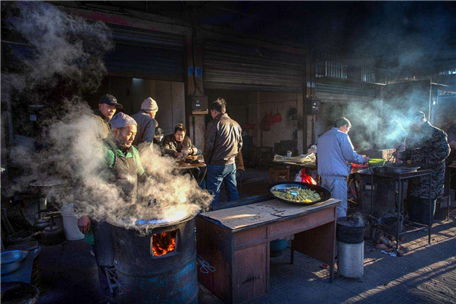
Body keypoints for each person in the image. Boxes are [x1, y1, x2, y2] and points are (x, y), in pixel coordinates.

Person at [78, 112, 144, 300]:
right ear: (116, 132)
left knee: (126, 257)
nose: (133, 136)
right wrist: (83, 212)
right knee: (106, 259)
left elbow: (142, 175)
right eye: (129, 132)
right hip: (104, 214)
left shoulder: (133, 151)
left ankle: (128, 293)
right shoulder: (104, 152)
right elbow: (85, 182)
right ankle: (110, 296)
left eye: (134, 132)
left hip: (128, 212)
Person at [399, 111, 450, 223]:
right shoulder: (412, 134)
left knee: (426, 199)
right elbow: (410, 152)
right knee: (414, 199)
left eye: (413, 122)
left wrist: (421, 161)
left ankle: (424, 227)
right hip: (416, 174)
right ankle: (414, 224)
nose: (411, 125)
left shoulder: (437, 133)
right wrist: (401, 155)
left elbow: (443, 152)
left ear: (422, 120)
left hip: (431, 175)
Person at [317, 117, 369, 217]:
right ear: (344, 126)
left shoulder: (322, 137)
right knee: (339, 206)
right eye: (348, 129)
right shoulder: (341, 135)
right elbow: (349, 155)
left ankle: (329, 229)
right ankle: (340, 230)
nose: (347, 132)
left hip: (324, 177)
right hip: (337, 178)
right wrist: (364, 159)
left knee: (327, 206)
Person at [204, 98, 243, 209]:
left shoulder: (214, 123)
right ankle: (236, 213)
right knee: (233, 190)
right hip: (231, 164)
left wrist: (206, 161)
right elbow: (240, 145)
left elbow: (209, 146)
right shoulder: (236, 124)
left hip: (216, 164)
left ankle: (214, 219)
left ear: (214, 111)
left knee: (214, 194)